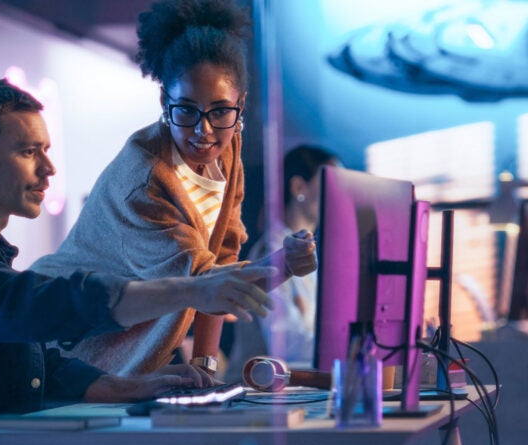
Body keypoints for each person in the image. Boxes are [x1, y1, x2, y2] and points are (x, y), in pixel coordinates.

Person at [0, 78, 275, 445]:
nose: (48, 170)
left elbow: (36, 362)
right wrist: (193, 290)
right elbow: (41, 305)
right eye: (27, 151)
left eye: (46, 151)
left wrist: (131, 386)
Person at [32, 0, 316, 377]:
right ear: (165, 101)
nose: (205, 131)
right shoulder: (144, 180)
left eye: (219, 111)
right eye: (186, 110)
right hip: (66, 344)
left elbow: (222, 260)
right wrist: (284, 264)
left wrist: (205, 364)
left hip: (127, 350)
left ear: (240, 105)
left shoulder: (227, 149)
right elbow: (204, 283)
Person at [228, 145, 339, 373]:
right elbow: (287, 347)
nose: (339, 195)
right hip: (254, 397)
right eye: (332, 184)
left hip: (287, 393)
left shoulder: (308, 254)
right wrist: (350, 346)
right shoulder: (270, 253)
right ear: (299, 187)